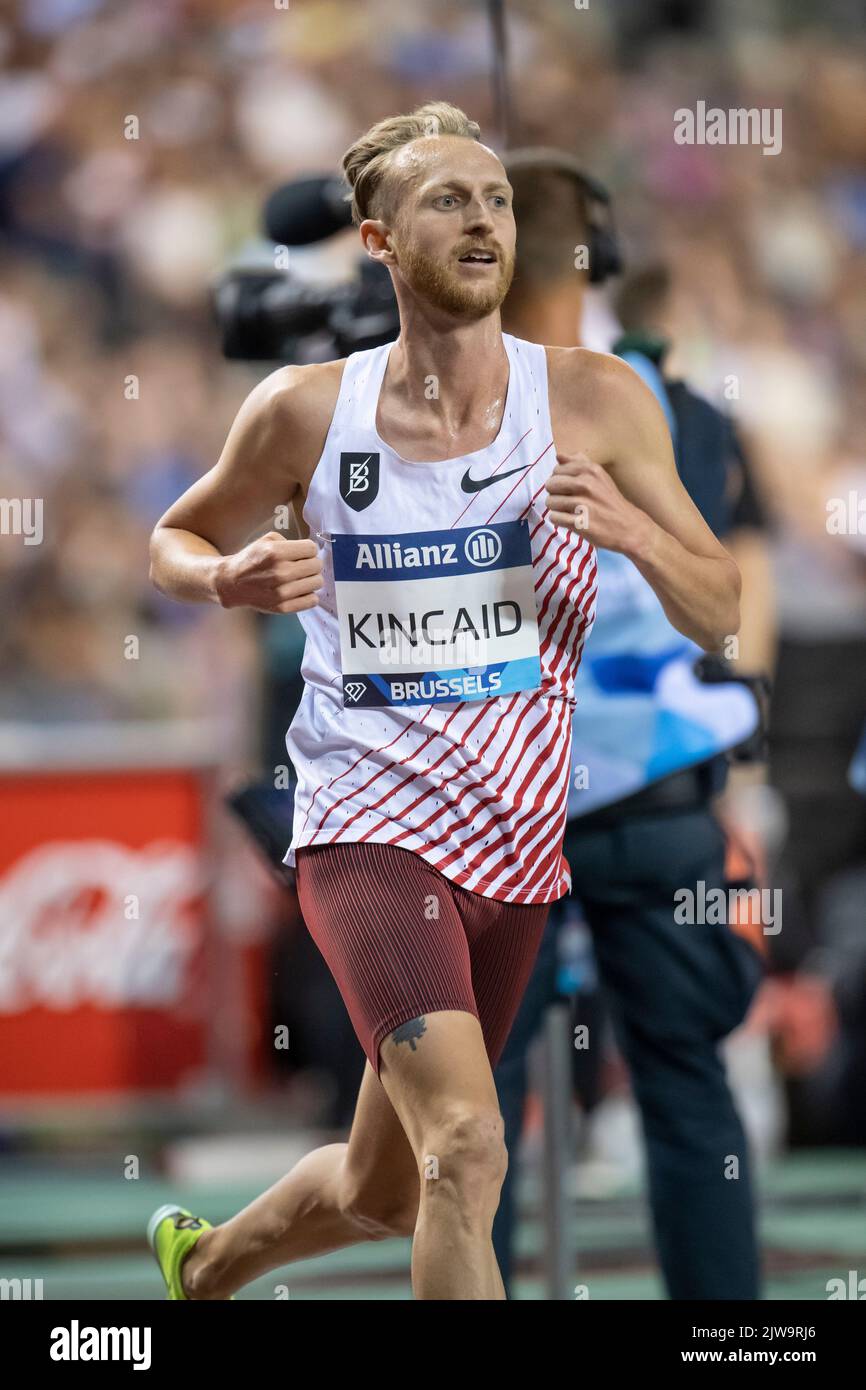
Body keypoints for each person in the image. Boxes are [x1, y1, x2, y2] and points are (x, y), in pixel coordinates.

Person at [146, 101, 740, 1301]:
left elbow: (718, 604)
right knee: (468, 1145)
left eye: (497, 200)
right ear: (375, 241)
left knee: (392, 1186)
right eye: (446, 200)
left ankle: (204, 1266)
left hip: (516, 845)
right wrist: (226, 576)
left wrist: (629, 530)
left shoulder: (595, 398)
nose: (480, 219)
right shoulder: (307, 409)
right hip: (366, 828)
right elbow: (171, 535)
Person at [491, 150, 770, 1299]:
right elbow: (728, 612)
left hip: (494, 806)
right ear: (594, 255)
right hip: (650, 792)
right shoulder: (671, 404)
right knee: (681, 1082)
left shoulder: (417, 393)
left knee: (472, 1114)